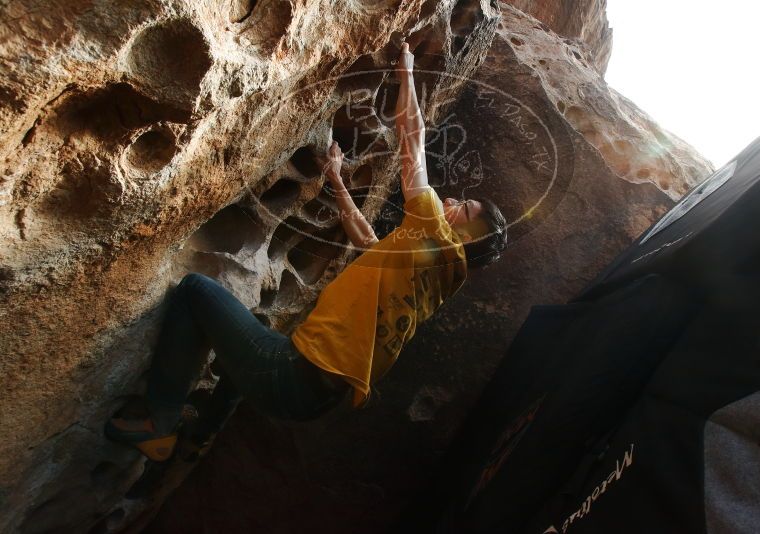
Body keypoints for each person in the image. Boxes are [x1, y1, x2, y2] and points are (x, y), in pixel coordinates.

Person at [104, 42, 507, 462]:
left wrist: (407, 69)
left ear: (468, 237)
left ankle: (158, 424)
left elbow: (413, 138)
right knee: (250, 343)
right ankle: (200, 435)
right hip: (312, 397)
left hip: (292, 375)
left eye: (465, 209)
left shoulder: (436, 233)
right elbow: (368, 244)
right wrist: (335, 179)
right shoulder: (441, 275)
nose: (453, 203)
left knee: (194, 292)